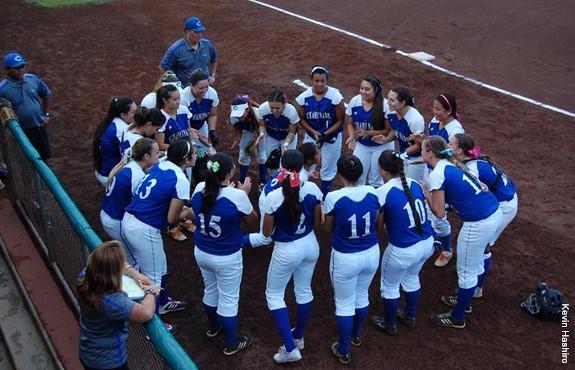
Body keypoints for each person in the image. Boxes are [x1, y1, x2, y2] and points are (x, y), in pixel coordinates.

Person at [421, 136, 502, 329]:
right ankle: (469, 296)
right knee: (478, 259)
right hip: (494, 212)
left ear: (431, 152)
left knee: (466, 271)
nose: (421, 152)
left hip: (478, 223)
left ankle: (458, 317)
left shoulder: (437, 174)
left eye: (423, 150)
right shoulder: (450, 163)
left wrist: (425, 193)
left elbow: (439, 213)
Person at [189, 153, 257, 356]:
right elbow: (252, 222)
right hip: (227, 256)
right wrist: (243, 193)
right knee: (228, 299)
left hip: (201, 251)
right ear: (230, 172)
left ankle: (213, 327)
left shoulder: (200, 187)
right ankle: (231, 343)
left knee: (210, 290)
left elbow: (199, 207)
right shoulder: (237, 197)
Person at [261, 150, 323, 363]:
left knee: (274, 294)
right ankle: (298, 337)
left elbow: (266, 233)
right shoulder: (313, 188)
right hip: (310, 245)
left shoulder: (274, 196)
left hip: (286, 249)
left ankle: (290, 349)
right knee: (304, 290)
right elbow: (318, 221)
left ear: (282, 167)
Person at [121, 139, 195, 317]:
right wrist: (189, 212)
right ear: (186, 159)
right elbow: (171, 219)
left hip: (130, 221)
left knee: (160, 267)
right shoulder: (180, 179)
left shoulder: (162, 164)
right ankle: (153, 322)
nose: (196, 155)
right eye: (193, 153)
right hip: (144, 229)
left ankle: (162, 303)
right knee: (152, 278)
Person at [323, 154, 381, 365]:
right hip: (371, 252)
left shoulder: (333, 197)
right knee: (362, 295)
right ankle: (356, 335)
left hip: (345, 256)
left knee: (344, 303)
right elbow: (377, 222)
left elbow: (328, 228)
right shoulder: (373, 192)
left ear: (339, 175)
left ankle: (344, 348)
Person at [370, 150, 434, 336]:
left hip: (403, 248)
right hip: (426, 242)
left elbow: (378, 226)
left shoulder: (382, 192)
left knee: (389, 286)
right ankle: (409, 315)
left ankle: (389, 324)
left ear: (382, 170)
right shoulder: (413, 183)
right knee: (412, 278)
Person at [449, 133, 518, 298]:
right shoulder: (474, 161)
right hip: (505, 199)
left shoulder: (472, 169)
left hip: (504, 206)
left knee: (482, 244)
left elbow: (470, 195)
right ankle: (473, 273)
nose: (447, 145)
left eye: (450, 144)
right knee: (479, 243)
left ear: (459, 150)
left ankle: (476, 287)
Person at [78, 241, 160, 370]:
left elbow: (113, 265)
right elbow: (146, 313)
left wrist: (136, 274)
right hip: (107, 362)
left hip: (88, 352)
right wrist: (151, 291)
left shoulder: (86, 275)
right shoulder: (111, 300)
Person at [410, 93, 465, 268]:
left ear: (449, 110)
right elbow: (431, 146)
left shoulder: (455, 130)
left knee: (438, 215)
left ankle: (447, 250)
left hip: (443, 177)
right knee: (428, 211)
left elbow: (455, 158)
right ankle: (433, 241)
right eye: (433, 108)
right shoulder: (435, 122)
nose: (435, 112)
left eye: (439, 109)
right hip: (431, 172)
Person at [100, 138, 160, 266]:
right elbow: (141, 205)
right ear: (146, 156)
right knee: (133, 260)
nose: (159, 155)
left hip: (109, 213)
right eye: (157, 152)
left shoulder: (131, 166)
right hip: (117, 221)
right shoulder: (137, 176)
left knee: (130, 253)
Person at [294, 65, 345, 196]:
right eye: (317, 81)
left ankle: (323, 198)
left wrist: (325, 134)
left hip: (331, 138)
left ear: (326, 81)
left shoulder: (335, 97)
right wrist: (312, 131)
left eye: (323, 81)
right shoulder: (303, 98)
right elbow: (301, 119)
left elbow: (340, 121)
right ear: (311, 80)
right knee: (305, 165)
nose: (320, 84)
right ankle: (301, 192)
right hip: (311, 137)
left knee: (328, 169)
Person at [0, 52, 52, 160]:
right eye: (16, 68)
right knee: (26, 160)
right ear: (7, 69)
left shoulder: (32, 79)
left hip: (39, 127)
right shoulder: (3, 89)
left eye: (22, 66)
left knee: (44, 157)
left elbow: (46, 93)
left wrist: (46, 114)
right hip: (21, 133)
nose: (21, 70)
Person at [344, 74, 393, 187]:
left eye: (367, 89)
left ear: (375, 90)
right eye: (361, 88)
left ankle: (375, 202)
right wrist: (352, 136)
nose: (363, 91)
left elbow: (388, 130)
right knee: (357, 175)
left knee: (375, 179)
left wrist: (368, 133)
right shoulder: (355, 101)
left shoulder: (385, 106)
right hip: (362, 144)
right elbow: (349, 123)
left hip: (381, 145)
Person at [159, 16, 217, 86]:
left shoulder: (208, 45)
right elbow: (163, 68)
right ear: (187, 31)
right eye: (196, 32)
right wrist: (174, 85)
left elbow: (214, 60)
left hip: (204, 88)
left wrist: (212, 75)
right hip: (185, 91)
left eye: (200, 32)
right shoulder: (175, 49)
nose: (199, 35)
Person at [93, 97, 137, 187]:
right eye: (133, 113)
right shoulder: (121, 129)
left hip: (101, 170)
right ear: (123, 115)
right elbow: (129, 156)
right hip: (109, 176)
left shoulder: (110, 121)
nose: (136, 115)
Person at [256, 89, 300, 178]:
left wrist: (286, 143)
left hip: (287, 137)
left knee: (288, 162)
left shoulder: (291, 111)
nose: (274, 111)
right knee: (271, 160)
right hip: (272, 136)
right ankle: (274, 179)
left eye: (277, 108)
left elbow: (291, 132)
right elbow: (262, 125)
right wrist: (261, 133)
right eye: (271, 107)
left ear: (284, 104)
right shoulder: (263, 109)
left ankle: (287, 181)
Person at [386, 86, 426, 182]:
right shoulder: (392, 112)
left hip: (417, 159)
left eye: (392, 100)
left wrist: (402, 154)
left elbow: (420, 145)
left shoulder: (415, 119)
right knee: (401, 183)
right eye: (388, 98)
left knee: (411, 186)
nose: (388, 102)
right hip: (404, 156)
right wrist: (385, 139)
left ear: (403, 103)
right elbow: (395, 130)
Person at [227, 94, 266, 184]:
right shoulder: (233, 118)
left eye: (241, 115)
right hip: (248, 131)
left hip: (261, 131)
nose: (239, 117)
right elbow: (237, 128)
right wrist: (238, 138)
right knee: (243, 155)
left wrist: (254, 142)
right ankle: (241, 182)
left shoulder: (257, 114)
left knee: (262, 157)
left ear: (247, 110)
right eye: (237, 115)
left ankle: (262, 183)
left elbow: (260, 130)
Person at [180, 69, 219, 151]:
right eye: (201, 88)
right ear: (191, 85)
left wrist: (212, 131)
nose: (204, 90)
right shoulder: (184, 98)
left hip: (201, 127)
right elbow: (184, 123)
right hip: (185, 130)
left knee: (204, 153)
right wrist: (193, 139)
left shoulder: (212, 94)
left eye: (207, 87)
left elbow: (213, 115)